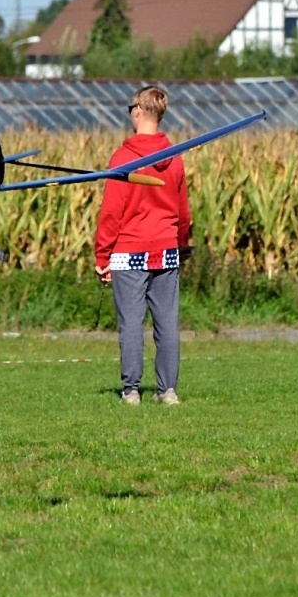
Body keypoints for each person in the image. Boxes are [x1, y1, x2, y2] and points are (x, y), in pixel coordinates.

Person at [94, 85, 192, 406]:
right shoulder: (174, 158)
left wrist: (102, 255)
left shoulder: (123, 159)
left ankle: (131, 390)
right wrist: (180, 245)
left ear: (137, 111)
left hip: (128, 253)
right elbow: (182, 212)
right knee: (167, 323)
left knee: (132, 324)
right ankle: (168, 390)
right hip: (165, 250)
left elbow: (111, 212)